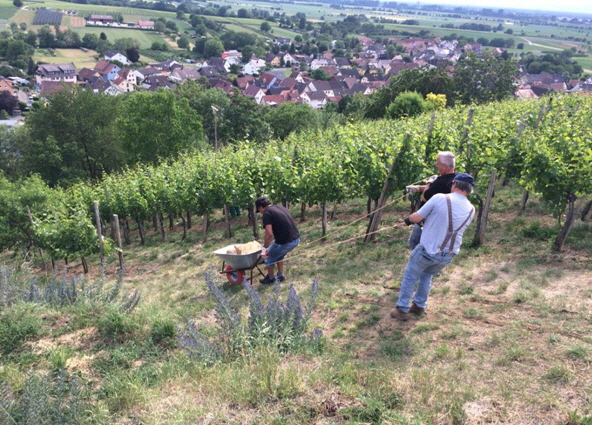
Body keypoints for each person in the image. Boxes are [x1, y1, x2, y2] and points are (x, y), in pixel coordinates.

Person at [391, 173, 476, 321]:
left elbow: (417, 217)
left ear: (454, 184)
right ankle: (419, 306)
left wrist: (408, 219)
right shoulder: (471, 208)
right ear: (469, 190)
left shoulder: (439, 198)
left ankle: (402, 309)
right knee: (427, 275)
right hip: (448, 254)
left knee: (410, 275)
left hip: (428, 250)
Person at [406, 151, 457, 250]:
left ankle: (420, 262)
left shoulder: (442, 182)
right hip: (441, 218)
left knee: (415, 241)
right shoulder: (454, 178)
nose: (435, 165)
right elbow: (432, 189)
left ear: (444, 166)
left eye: (437, 162)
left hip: (428, 218)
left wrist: (429, 182)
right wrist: (417, 188)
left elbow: (425, 195)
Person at [255, 196, 300, 284]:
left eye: (259, 210)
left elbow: (269, 234)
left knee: (268, 257)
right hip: (296, 239)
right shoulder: (279, 207)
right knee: (279, 255)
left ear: (260, 207)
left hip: (286, 242)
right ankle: (280, 275)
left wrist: (264, 249)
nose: (260, 212)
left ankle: (271, 278)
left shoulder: (267, 214)